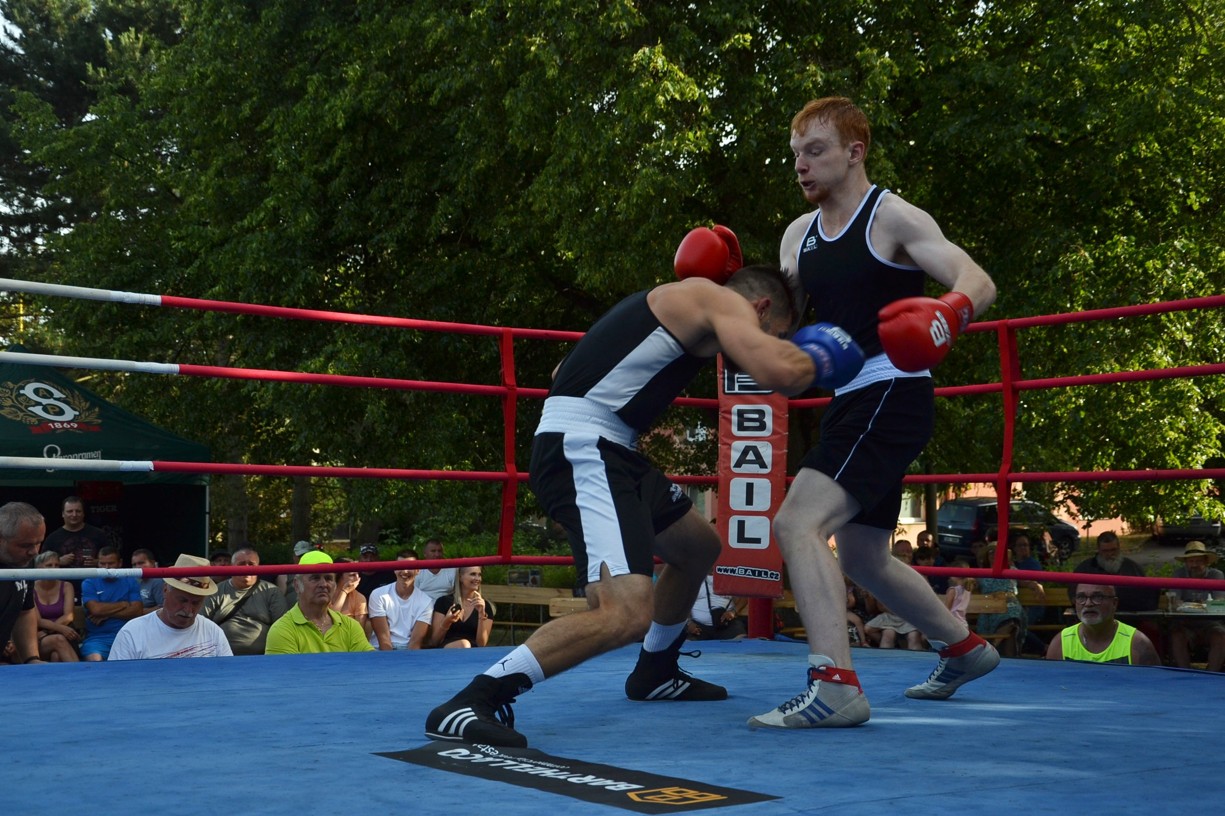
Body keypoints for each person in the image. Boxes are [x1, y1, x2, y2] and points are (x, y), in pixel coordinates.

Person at [426, 260, 842, 747]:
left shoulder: (665, 307)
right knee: (624, 613)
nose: (767, 343)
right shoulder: (718, 298)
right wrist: (831, 351)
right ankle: (470, 701)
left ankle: (655, 670)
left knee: (698, 548)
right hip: (586, 446)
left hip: (613, 446)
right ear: (761, 308)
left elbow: (563, 371)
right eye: (776, 334)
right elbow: (779, 372)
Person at [750, 97, 999, 731]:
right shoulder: (797, 235)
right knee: (862, 557)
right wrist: (736, 294)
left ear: (854, 152)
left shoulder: (891, 217)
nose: (801, 166)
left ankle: (834, 687)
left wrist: (947, 314)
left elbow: (976, 279)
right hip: (848, 401)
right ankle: (963, 648)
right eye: (796, 154)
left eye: (815, 151)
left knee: (797, 522)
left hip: (892, 391)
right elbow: (780, 319)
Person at [110, 554, 233, 660]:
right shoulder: (132, 632)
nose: (188, 610)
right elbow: (117, 678)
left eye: (196, 603)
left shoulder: (213, 632)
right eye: (182, 600)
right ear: (165, 590)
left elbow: (228, 675)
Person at [265, 551, 374, 654]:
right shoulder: (282, 630)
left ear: (335, 585)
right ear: (297, 585)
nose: (323, 584)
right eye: (315, 578)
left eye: (328, 578)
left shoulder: (351, 626)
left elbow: (369, 662)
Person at [1045, 583, 1160, 665]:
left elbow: (1153, 689)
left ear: (1114, 603)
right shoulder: (1061, 643)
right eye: (1081, 597)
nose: (1088, 603)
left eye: (1097, 597)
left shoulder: (1137, 643)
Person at [202, 547, 288, 655]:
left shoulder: (272, 591)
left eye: (251, 564)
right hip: (221, 656)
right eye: (241, 564)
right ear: (232, 567)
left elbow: (282, 627)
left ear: (258, 568)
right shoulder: (216, 591)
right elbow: (202, 624)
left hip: (263, 657)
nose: (246, 568)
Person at [0, 502, 48, 665]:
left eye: (38, 542)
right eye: (25, 545)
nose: (34, 552)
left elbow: (25, 612)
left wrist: (31, 659)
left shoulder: (25, 561)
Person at [1166, 541, 1225, 672]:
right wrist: (1180, 604)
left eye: (1198, 561)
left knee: (1220, 635)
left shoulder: (1216, 575)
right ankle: (1186, 674)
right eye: (1191, 561)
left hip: (1210, 624)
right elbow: (1174, 600)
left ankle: (1212, 675)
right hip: (1186, 623)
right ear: (1186, 563)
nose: (1194, 565)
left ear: (1206, 562)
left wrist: (1197, 605)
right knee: (1176, 635)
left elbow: (1220, 602)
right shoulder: (1179, 574)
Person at [79, 546, 143, 661]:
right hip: (98, 639)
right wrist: (123, 604)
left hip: (129, 636)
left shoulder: (131, 581)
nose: (106, 568)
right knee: (94, 658)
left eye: (111, 563)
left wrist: (106, 613)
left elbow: (137, 611)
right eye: (102, 564)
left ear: (120, 563)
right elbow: (96, 610)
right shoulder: (89, 582)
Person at [1072, 531, 1159, 612]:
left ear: (1119, 548)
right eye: (1105, 551)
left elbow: (1145, 596)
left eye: (1113, 550)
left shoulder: (1133, 568)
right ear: (1099, 550)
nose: (1110, 554)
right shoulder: (1085, 569)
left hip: (1128, 615)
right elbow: (1075, 597)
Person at [368, 549, 433, 650]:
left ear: (418, 570)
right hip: (380, 650)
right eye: (400, 566)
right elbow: (383, 640)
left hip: (408, 650)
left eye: (410, 567)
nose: (405, 571)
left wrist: (409, 659)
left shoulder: (426, 601)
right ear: (395, 569)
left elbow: (415, 642)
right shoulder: (378, 594)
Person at [428, 566, 495, 648]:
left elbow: (481, 644)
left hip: (472, 652)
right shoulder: (443, 602)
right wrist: (446, 622)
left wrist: (481, 614)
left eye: (479, 575)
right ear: (460, 577)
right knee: (463, 644)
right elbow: (435, 641)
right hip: (447, 650)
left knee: (464, 644)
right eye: (473, 574)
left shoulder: (484, 606)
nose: (477, 578)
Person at [31, 550, 80, 662]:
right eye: (49, 565)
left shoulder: (67, 586)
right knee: (58, 639)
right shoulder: (31, 588)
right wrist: (60, 629)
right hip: (39, 635)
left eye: (57, 565)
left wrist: (50, 631)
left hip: (65, 631)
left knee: (56, 656)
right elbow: (38, 620)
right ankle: (81, 671)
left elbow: (69, 616)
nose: (54, 568)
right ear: (39, 567)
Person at [41, 496, 108, 571]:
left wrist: (98, 562)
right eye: (70, 511)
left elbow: (112, 559)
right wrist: (58, 561)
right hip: (64, 578)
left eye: (78, 511)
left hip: (94, 577)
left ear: (83, 513)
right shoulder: (52, 538)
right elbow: (40, 563)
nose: (74, 514)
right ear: (63, 514)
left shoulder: (99, 534)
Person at [686, 570, 746, 641]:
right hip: (699, 627)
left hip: (726, 624)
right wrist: (689, 623)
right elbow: (683, 604)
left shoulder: (730, 577)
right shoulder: (694, 579)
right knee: (686, 643)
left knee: (741, 640)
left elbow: (745, 597)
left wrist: (733, 611)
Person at [330, 556, 370, 634]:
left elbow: (358, 631)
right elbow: (330, 621)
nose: (357, 578)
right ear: (338, 576)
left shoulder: (359, 598)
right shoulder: (326, 593)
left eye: (358, 574)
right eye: (352, 575)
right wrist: (344, 592)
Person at [130, 549, 165, 614]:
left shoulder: (157, 581)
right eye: (134, 565)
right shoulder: (136, 580)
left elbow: (163, 607)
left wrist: (138, 612)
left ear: (152, 563)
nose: (137, 567)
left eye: (141, 563)